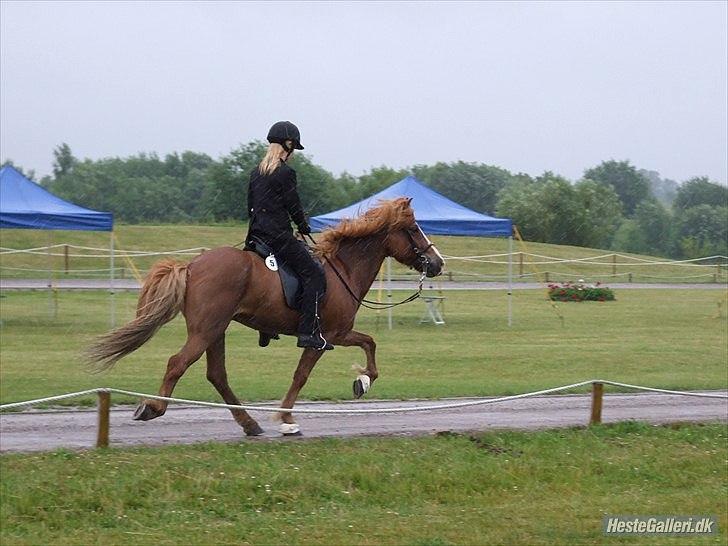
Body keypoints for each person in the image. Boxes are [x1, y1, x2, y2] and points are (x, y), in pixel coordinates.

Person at [245, 121, 333, 351]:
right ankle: (308, 333)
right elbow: (293, 205)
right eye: (293, 147)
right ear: (289, 144)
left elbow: (250, 206)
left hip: (256, 238)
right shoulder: (285, 173)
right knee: (314, 273)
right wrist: (303, 227)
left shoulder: (256, 173)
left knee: (274, 275)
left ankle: (266, 327)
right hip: (278, 237)